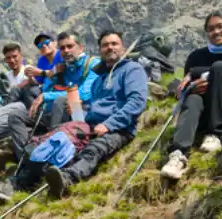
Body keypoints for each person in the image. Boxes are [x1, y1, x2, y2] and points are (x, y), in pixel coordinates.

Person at [31, 31, 149, 198]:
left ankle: (67, 179)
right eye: (105, 45)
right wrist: (81, 111)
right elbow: (93, 104)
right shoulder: (100, 77)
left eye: (114, 44)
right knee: (58, 139)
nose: (110, 48)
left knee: (95, 148)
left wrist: (109, 124)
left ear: (122, 47)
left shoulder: (132, 70)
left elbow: (136, 102)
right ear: (100, 50)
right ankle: (30, 179)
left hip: (119, 128)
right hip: (90, 125)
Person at [160, 10, 222, 180]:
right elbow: (183, 86)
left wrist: (197, 72)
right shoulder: (197, 56)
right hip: (204, 111)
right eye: (211, 29)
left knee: (220, 67)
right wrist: (192, 86)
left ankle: (215, 133)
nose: (216, 32)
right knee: (193, 97)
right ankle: (178, 154)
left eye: (220, 27)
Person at [5, 31, 94, 161]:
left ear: (81, 47)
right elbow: (45, 80)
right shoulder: (62, 66)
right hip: (47, 111)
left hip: (70, 111)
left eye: (70, 46)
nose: (66, 50)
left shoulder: (91, 64)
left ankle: (48, 152)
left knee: (59, 100)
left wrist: (45, 95)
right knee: (15, 116)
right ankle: (25, 158)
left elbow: (84, 93)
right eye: (63, 48)